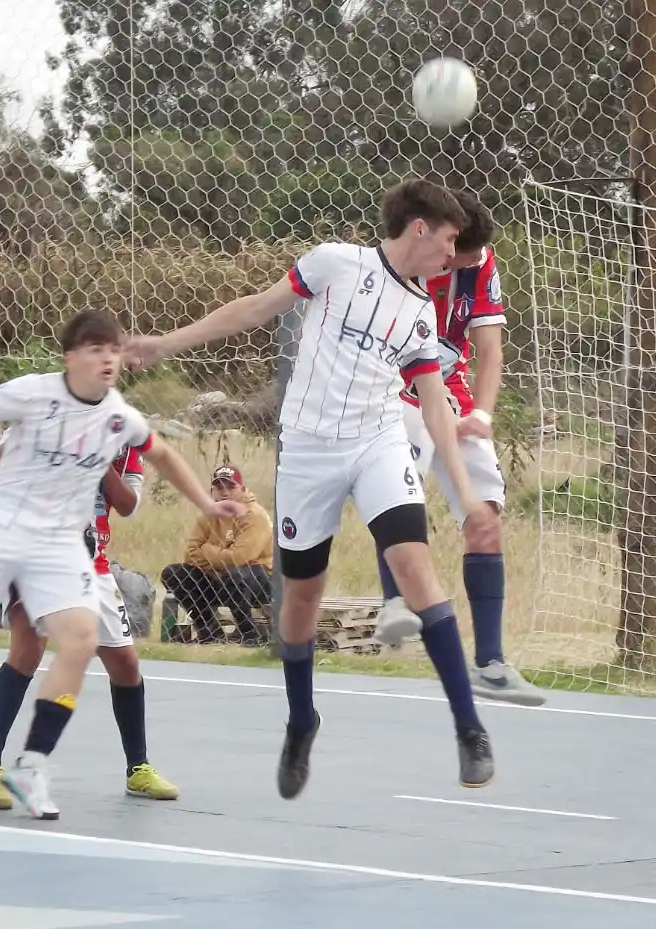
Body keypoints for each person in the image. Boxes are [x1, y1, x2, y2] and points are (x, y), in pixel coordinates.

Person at [126, 178, 499, 798]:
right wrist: (164, 343)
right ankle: (301, 721)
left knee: (414, 566)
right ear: (418, 229)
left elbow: (435, 407)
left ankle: (469, 728)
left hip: (378, 443)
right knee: (299, 599)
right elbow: (250, 308)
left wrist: (469, 498)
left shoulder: (421, 312)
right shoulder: (335, 264)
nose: (452, 255)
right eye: (449, 240)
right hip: (309, 451)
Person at [0, 308, 243, 820]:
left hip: (63, 546)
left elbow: (161, 458)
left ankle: (33, 766)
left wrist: (208, 506)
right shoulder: (34, 393)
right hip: (0, 527)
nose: (108, 359)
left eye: (114, 350)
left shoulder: (119, 419)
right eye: (96, 349)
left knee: (84, 643)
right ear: (71, 357)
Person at [369, 190, 544, 707]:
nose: (457, 263)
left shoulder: (480, 263)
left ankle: (491, 663)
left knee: (486, 518)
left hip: (453, 392)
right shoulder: (398, 267)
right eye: (454, 253)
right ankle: (395, 601)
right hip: (394, 390)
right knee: (402, 494)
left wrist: (482, 415)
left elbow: (490, 349)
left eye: (464, 257)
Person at [0, 442, 180, 812]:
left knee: (126, 665)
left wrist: (98, 461)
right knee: (26, 652)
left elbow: (128, 504)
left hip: (91, 562)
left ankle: (138, 767)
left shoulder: (125, 437)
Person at [161, 463, 274, 645]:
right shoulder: (208, 515)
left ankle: (251, 635)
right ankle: (210, 632)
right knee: (174, 573)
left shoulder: (254, 516)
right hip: (220, 579)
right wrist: (223, 557)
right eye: (219, 487)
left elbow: (240, 559)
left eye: (231, 487)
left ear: (243, 489)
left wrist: (207, 550)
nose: (225, 492)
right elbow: (190, 555)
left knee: (235, 576)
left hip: (259, 582)